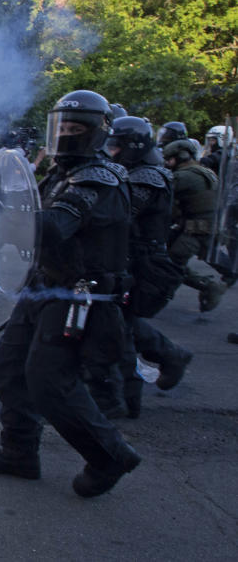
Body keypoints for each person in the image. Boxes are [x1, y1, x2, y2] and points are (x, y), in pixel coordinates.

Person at [0, 90, 141, 498]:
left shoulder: (98, 178)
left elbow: (53, 227)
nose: (65, 134)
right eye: (61, 126)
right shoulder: (61, 174)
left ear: (97, 132)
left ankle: (109, 454)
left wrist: (6, 217)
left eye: (76, 128)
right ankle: (19, 453)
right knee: (10, 368)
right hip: (44, 287)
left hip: (79, 297)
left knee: (50, 381)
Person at [85, 116, 193, 419]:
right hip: (128, 258)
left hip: (142, 263)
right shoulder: (141, 171)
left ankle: (126, 398)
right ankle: (169, 356)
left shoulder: (148, 177)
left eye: (116, 146)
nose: (111, 152)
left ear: (133, 145)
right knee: (120, 323)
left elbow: (118, 214)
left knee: (117, 326)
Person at [160, 138, 228, 311]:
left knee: (172, 262)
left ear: (180, 156)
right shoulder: (203, 171)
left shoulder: (184, 176)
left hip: (198, 227)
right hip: (207, 225)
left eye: (169, 159)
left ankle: (209, 286)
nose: (167, 163)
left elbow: (162, 198)